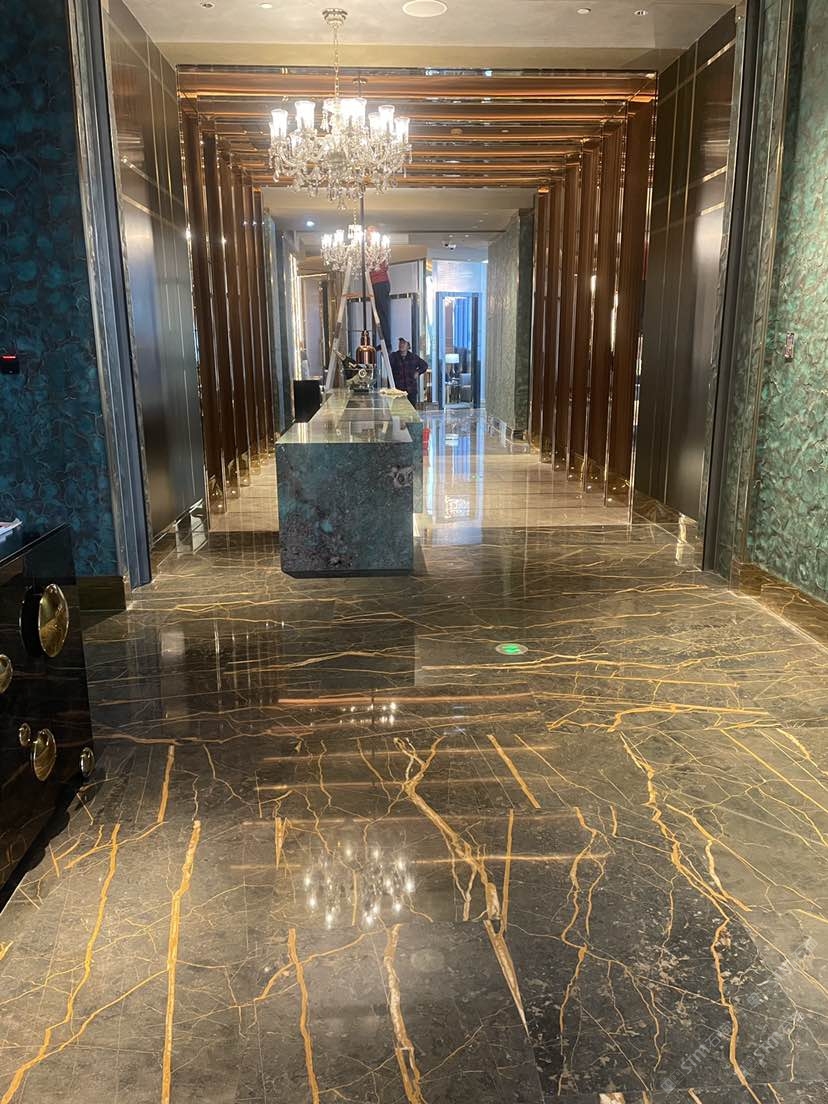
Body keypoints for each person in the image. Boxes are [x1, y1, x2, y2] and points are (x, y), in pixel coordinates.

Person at [389, 338, 427, 407]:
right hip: (398, 391)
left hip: (411, 391)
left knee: (411, 410)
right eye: (400, 343)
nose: (401, 345)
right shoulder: (393, 356)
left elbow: (424, 365)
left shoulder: (413, 357)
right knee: (399, 411)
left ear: (408, 346)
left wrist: (418, 372)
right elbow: (388, 365)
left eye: (404, 343)